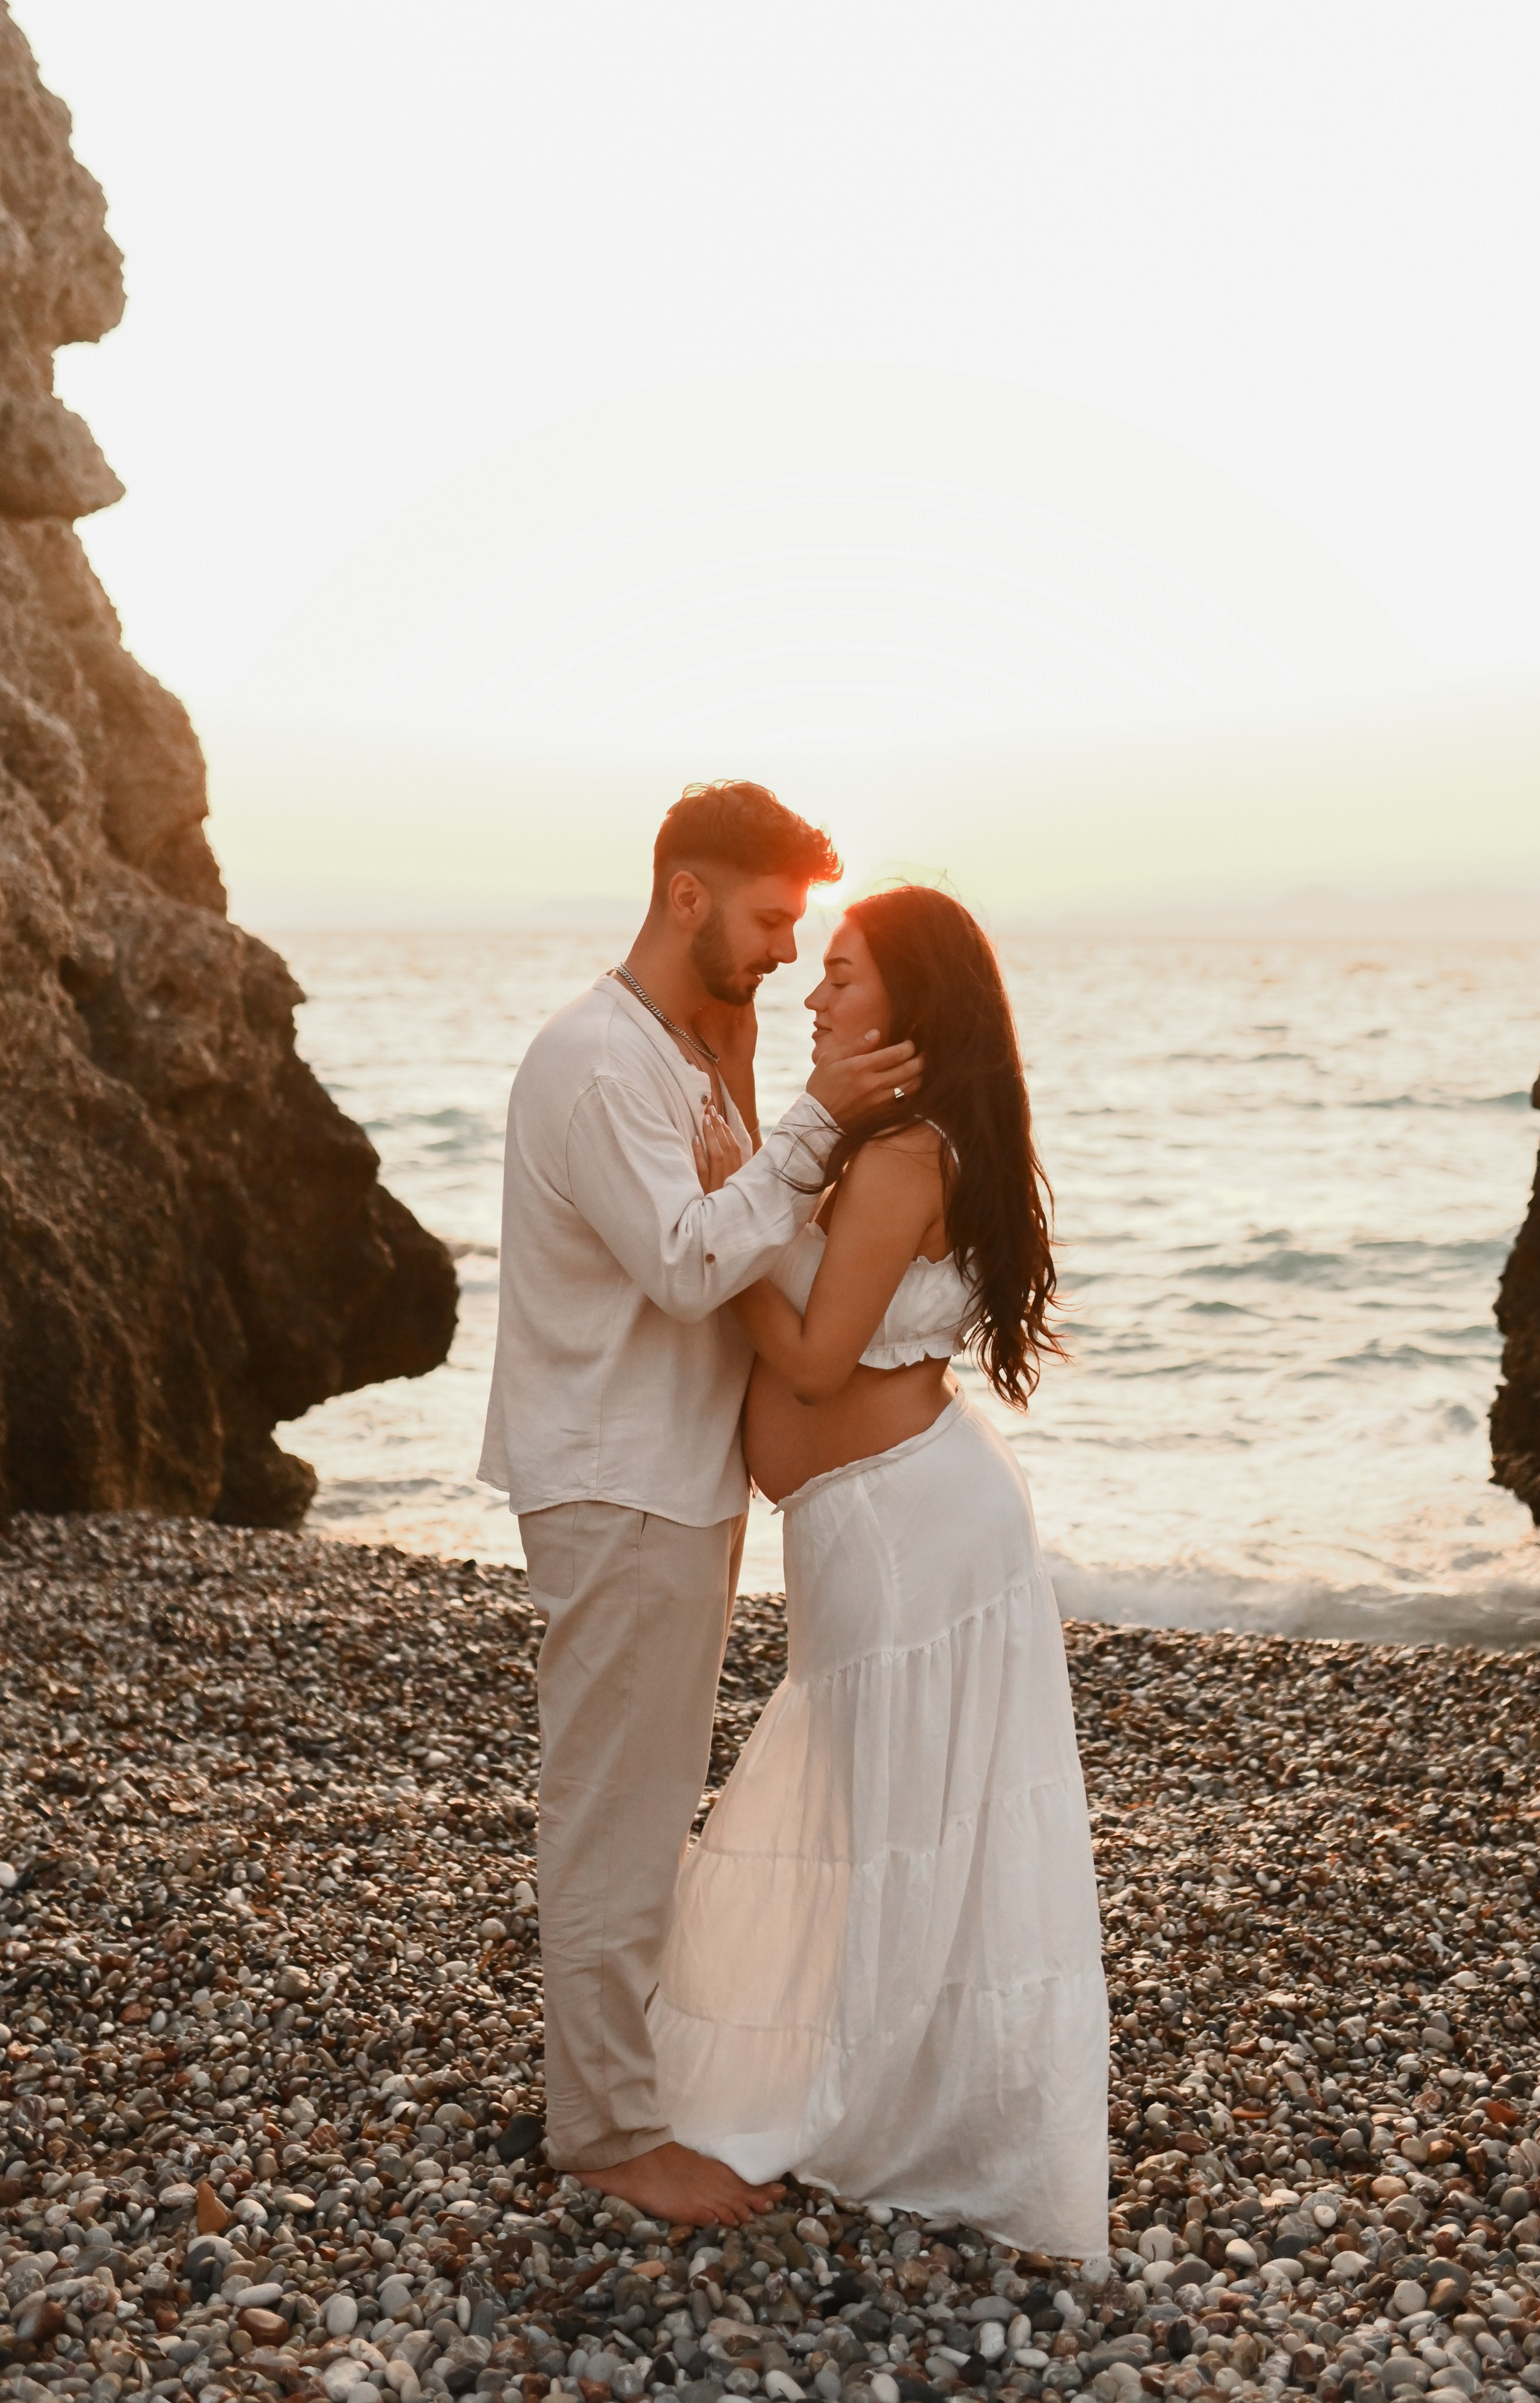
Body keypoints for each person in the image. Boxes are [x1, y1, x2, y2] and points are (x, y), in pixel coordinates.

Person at [479, 781, 922, 2230]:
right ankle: (606, 2131)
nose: (789, 951)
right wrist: (809, 1125)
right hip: (617, 1484)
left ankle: (619, 2080)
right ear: (686, 895)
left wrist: (754, 1088)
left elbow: (741, 1243)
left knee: (645, 1795)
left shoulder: (685, 1051)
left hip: (668, 1480)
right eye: (772, 919)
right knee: (614, 1808)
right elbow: (685, 1265)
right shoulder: (597, 1062)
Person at [649, 886, 1108, 2255]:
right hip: (889, 1517)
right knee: (892, 1818)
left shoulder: (907, 1155)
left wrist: (715, 1229)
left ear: (909, 998)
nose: (814, 995)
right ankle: (898, 2087)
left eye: (841, 974)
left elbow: (808, 1360)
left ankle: (897, 2107)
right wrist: (758, 1174)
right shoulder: (895, 1142)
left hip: (906, 1530)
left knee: (901, 1821)